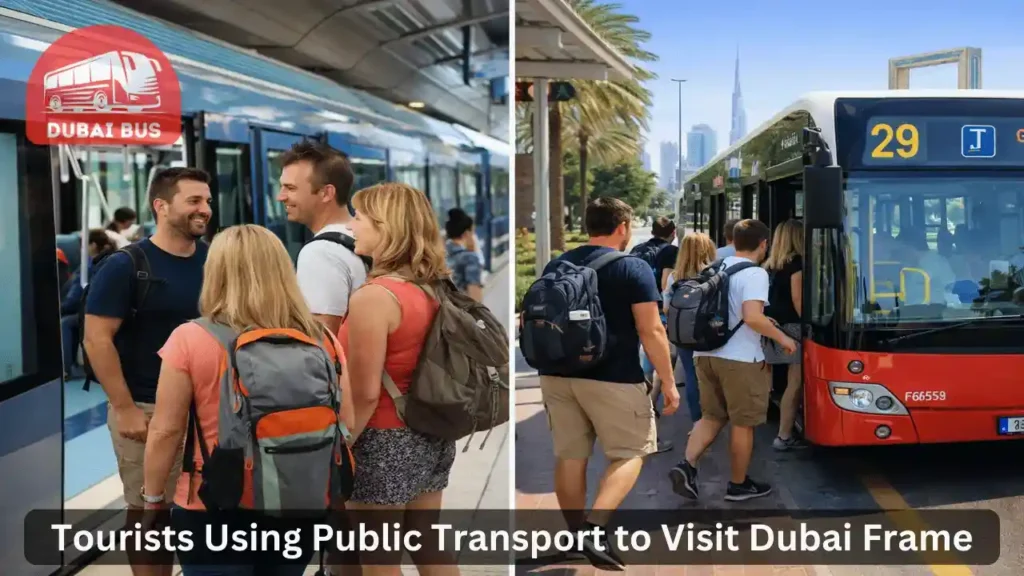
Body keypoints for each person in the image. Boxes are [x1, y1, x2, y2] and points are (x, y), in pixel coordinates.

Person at [141, 224, 354, 576]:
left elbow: (166, 432)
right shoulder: (323, 339)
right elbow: (346, 421)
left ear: (216, 273)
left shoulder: (190, 338)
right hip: (299, 499)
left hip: (211, 502)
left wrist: (152, 501)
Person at [537, 197, 679, 570]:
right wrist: (668, 382)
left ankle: (573, 536)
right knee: (632, 451)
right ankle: (593, 529)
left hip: (557, 375)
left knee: (570, 456)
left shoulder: (558, 264)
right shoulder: (632, 267)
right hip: (614, 376)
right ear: (623, 227)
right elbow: (651, 329)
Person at [83, 167, 211, 576]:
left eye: (207, 201)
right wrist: (124, 408)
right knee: (150, 514)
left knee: (205, 510)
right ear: (161, 206)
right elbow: (97, 339)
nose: (205, 209)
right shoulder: (125, 266)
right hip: (148, 409)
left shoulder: (215, 259)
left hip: (209, 411)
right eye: (194, 200)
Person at [339, 182, 459, 575]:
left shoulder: (374, 298)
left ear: (386, 227)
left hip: (382, 442)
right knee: (427, 544)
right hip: (431, 431)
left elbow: (365, 394)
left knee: (380, 562)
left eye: (359, 217)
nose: (351, 225)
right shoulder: (433, 288)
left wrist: (340, 448)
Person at [669, 219, 797, 503]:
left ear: (734, 241)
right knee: (743, 423)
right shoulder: (755, 274)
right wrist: (783, 338)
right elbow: (752, 317)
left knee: (711, 416)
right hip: (740, 360)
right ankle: (738, 485)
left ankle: (687, 465)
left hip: (705, 355)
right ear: (764, 244)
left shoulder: (715, 267)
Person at [279, 140, 367, 333]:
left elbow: (323, 338)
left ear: (326, 193)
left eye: (290, 188)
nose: (281, 196)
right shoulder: (365, 239)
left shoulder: (321, 253)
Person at [663, 232, 717, 424]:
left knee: (691, 375)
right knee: (711, 377)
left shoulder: (675, 277)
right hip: (708, 333)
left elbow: (666, 308)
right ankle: (713, 419)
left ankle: (697, 422)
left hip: (683, 334)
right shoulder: (715, 274)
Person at [763, 219, 807, 450]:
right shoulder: (797, 264)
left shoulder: (769, 265)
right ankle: (784, 435)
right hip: (792, 329)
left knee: (770, 378)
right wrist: (809, 328)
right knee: (795, 382)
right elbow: (798, 300)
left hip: (771, 326)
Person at [61, 229, 117, 379]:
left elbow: (76, 295)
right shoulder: (113, 259)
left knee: (65, 323)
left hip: (98, 311)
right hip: (113, 308)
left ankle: (65, 368)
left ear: (92, 245)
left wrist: (61, 308)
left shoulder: (90, 266)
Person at [445, 208, 484, 301]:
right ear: (466, 234)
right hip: (462, 308)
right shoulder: (470, 258)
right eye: (473, 233)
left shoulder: (439, 255)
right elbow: (475, 299)